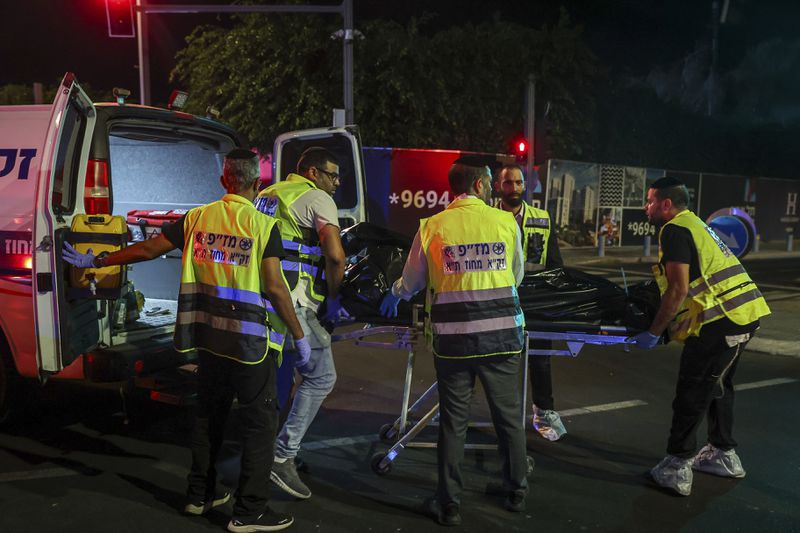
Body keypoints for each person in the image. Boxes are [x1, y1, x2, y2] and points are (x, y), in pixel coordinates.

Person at [63, 148, 307, 532]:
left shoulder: (196, 218)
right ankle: (250, 512)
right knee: (260, 425)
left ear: (224, 180)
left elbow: (147, 249)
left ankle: (199, 495)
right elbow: (276, 288)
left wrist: (97, 261)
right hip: (248, 345)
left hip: (207, 339)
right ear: (256, 184)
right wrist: (299, 335)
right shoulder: (262, 226)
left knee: (209, 416)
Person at [379, 159, 529, 526]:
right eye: (491, 183)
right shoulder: (505, 222)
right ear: (479, 185)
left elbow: (413, 280)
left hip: (454, 341)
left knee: (453, 422)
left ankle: (449, 504)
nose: (494, 188)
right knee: (508, 418)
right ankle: (516, 490)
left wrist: (394, 294)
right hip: (502, 337)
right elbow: (517, 274)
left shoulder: (433, 226)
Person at [628, 176, 771, 497]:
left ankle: (676, 467)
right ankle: (723, 454)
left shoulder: (675, 229)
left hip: (719, 323)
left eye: (650, 201)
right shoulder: (697, 224)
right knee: (718, 387)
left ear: (666, 204)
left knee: (692, 390)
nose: (646, 207)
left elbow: (678, 289)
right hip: (745, 315)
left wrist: (654, 331)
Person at [254, 146, 347, 500]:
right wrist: (335, 298)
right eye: (332, 174)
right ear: (312, 173)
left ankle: (266, 454)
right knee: (322, 376)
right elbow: (335, 255)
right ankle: (283, 456)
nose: (336, 183)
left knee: (279, 385)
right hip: (296, 302)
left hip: (263, 299)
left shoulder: (267, 195)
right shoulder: (316, 199)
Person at [493, 164, 566, 442]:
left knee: (540, 361)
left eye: (519, 183)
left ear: (526, 186)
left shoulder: (542, 218)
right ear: (499, 187)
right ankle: (506, 417)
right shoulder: (489, 218)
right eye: (508, 183)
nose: (514, 188)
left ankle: (544, 413)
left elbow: (555, 263)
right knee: (502, 361)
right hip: (501, 299)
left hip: (536, 300)